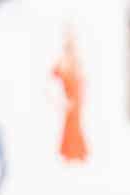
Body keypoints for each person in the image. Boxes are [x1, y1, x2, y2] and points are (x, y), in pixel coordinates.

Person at [52, 26, 88, 163]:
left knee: (74, 125)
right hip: (70, 99)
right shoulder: (63, 62)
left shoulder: (77, 61)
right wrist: (60, 100)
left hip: (76, 100)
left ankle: (77, 152)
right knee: (70, 126)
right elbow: (52, 79)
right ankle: (70, 152)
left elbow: (82, 81)